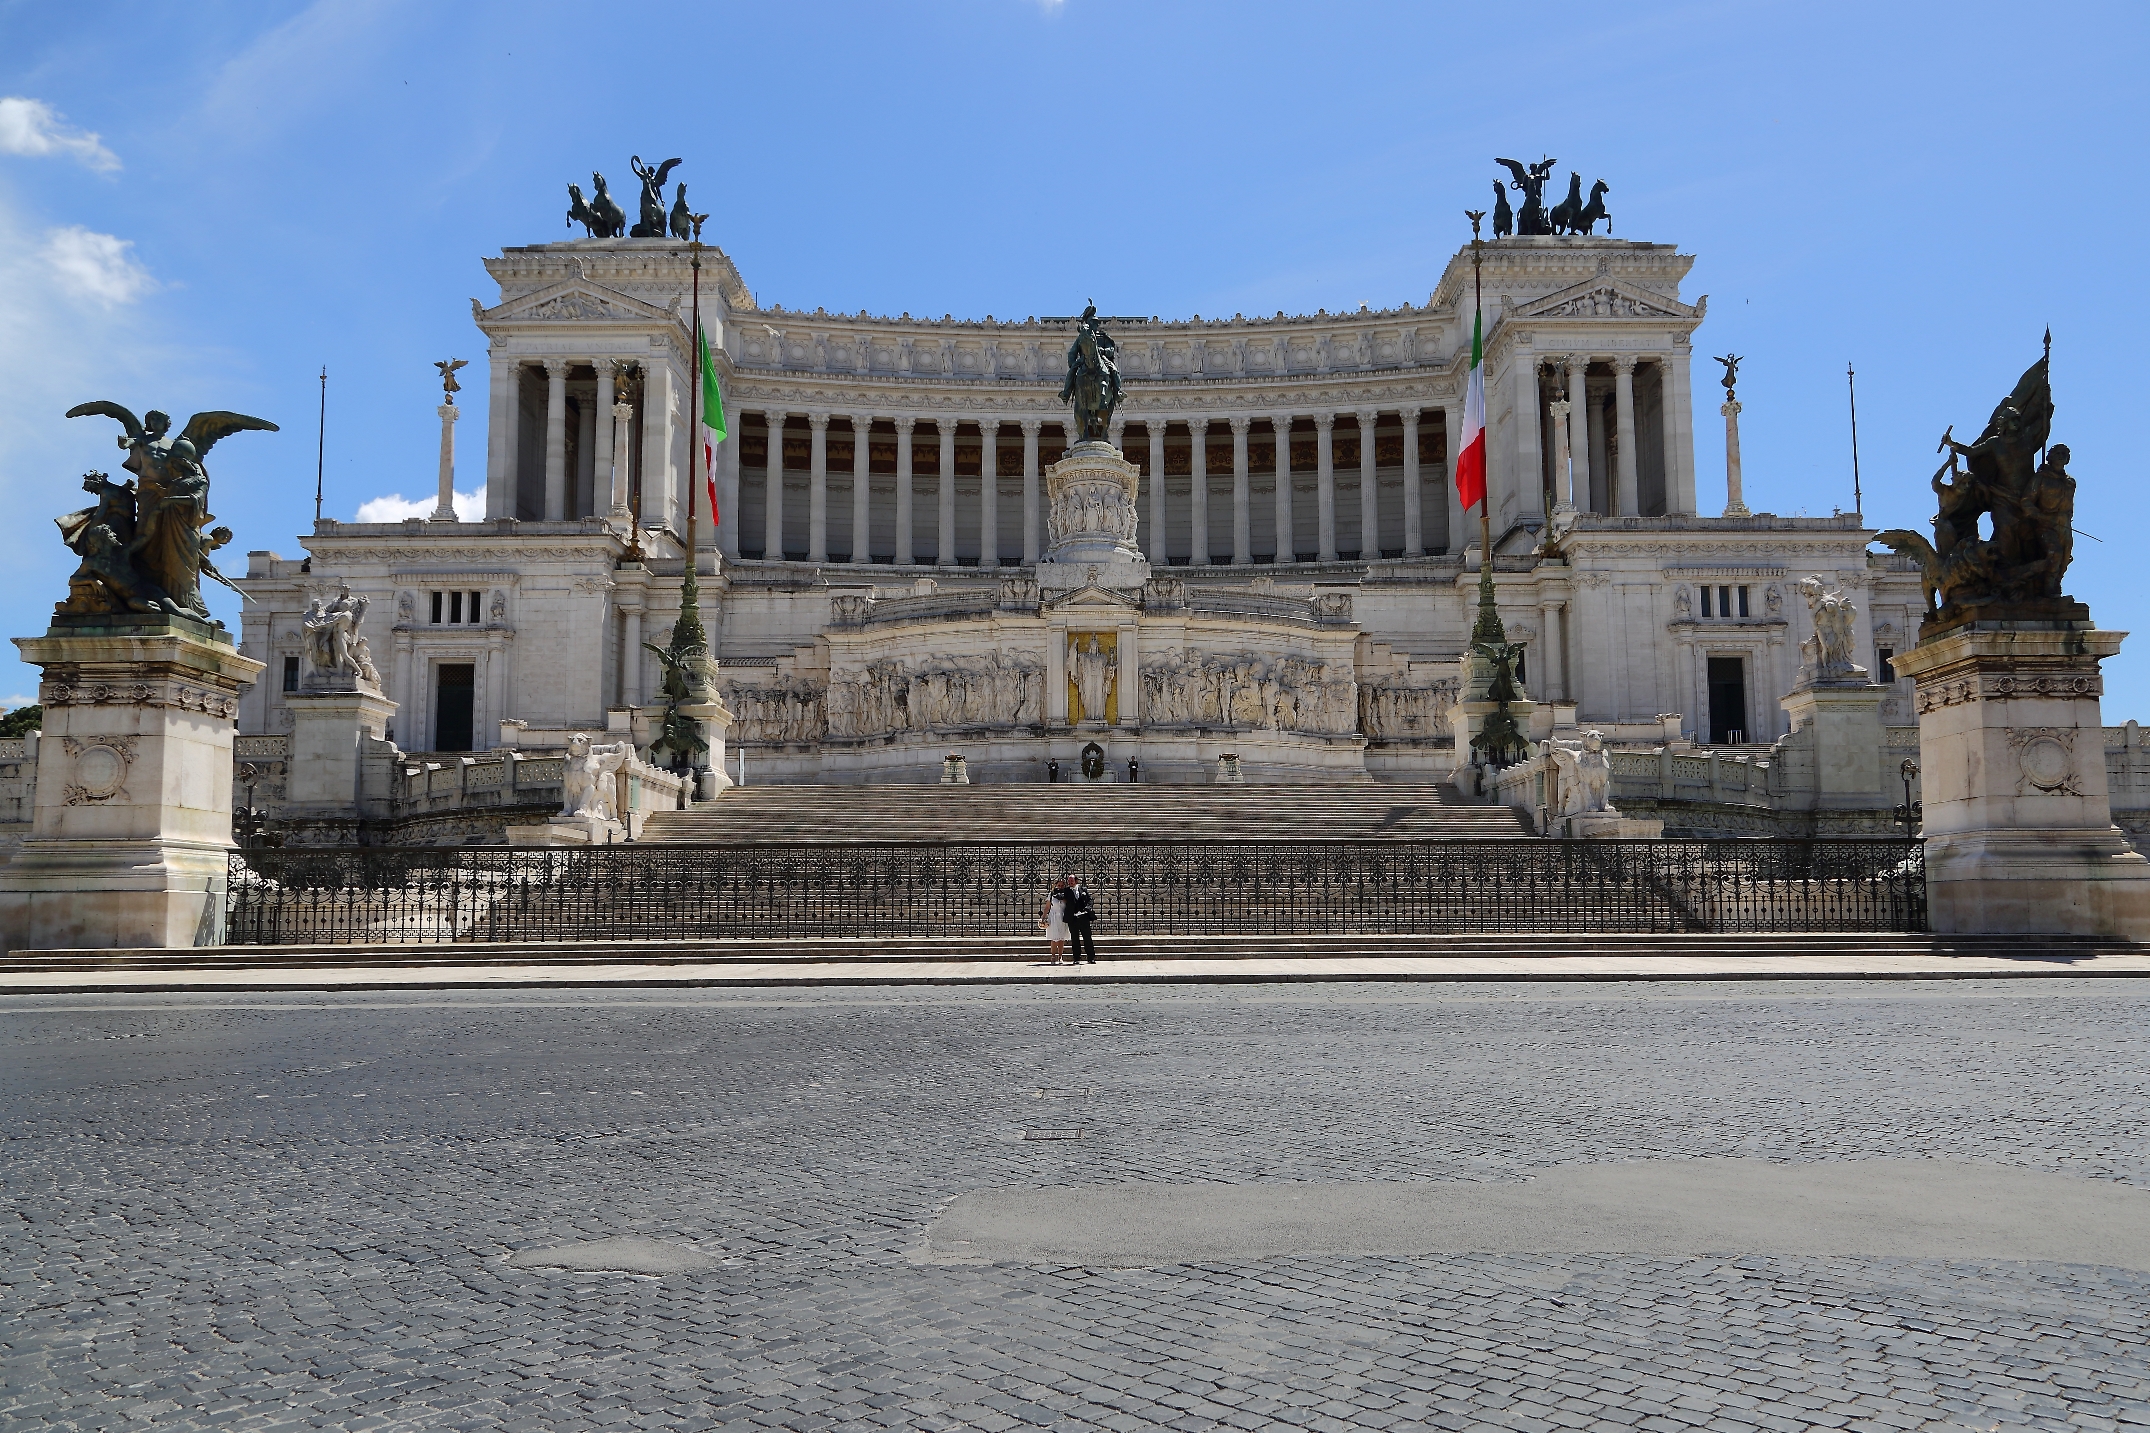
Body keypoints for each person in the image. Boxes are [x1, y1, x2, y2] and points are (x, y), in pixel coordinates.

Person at [1065, 873, 1098, 964]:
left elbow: (1090, 900)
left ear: (1076, 881)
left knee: (1087, 938)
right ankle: (1076, 958)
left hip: (1083, 917)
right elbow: (1060, 895)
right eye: (1069, 881)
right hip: (1073, 918)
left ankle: (1091, 957)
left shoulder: (1083, 889)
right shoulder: (1066, 891)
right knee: (1075, 939)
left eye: (1072, 881)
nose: (1070, 882)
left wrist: (1087, 908)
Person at [1040, 876, 1070, 964]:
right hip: (1053, 917)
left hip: (1063, 917)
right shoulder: (1051, 894)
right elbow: (1047, 907)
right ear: (1056, 885)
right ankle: (1053, 956)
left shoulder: (1066, 894)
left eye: (1062, 885)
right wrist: (1043, 917)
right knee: (1054, 938)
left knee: (1061, 938)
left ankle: (1060, 957)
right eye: (1059, 885)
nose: (1060, 887)